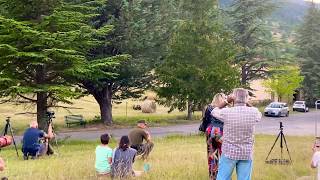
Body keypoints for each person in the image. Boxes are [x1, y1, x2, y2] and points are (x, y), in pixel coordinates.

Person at [212, 88, 261, 180]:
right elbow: (258, 113)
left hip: (229, 152)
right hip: (246, 153)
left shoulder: (227, 112)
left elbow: (214, 111)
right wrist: (246, 102)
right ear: (247, 98)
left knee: (223, 177)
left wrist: (227, 101)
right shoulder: (254, 112)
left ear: (233, 98)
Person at [206, 93, 226, 180]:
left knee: (211, 155)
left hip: (210, 131)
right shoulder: (226, 109)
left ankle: (212, 176)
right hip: (221, 132)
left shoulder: (209, 108)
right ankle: (222, 176)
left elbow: (205, 120)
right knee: (223, 155)